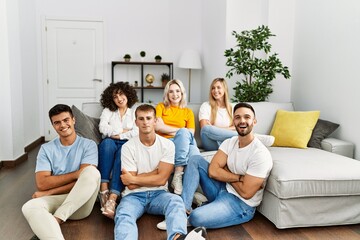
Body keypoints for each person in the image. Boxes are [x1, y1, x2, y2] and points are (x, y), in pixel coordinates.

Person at [114, 104, 207, 240]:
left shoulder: (168, 145)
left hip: (159, 194)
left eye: (148, 118)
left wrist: (135, 178)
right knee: (123, 214)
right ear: (136, 122)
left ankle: (177, 237)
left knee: (176, 202)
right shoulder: (128, 147)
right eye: (141, 119)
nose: (145, 122)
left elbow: (161, 180)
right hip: (133, 196)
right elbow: (131, 185)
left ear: (155, 121)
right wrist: (156, 173)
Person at [181, 102, 273, 229]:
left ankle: (204, 207)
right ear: (233, 121)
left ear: (254, 121)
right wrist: (240, 178)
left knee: (196, 217)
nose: (242, 121)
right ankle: (183, 209)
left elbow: (246, 193)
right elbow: (213, 171)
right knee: (195, 159)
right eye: (237, 117)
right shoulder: (230, 142)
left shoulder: (260, 154)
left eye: (247, 117)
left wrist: (225, 170)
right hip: (223, 188)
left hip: (241, 204)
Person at [22, 104, 100, 240]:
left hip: (81, 204)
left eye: (66, 120)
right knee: (29, 206)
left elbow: (87, 180)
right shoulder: (46, 149)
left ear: (73, 120)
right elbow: (42, 183)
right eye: (57, 122)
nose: (62, 125)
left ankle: (57, 219)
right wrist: (76, 174)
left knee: (92, 172)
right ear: (53, 125)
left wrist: (49, 192)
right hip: (58, 200)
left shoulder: (89, 145)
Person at [98, 81, 139, 219]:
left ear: (128, 95)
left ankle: (112, 198)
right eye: (115, 97)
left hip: (127, 144)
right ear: (111, 99)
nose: (119, 99)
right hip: (109, 143)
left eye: (121, 94)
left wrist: (118, 134)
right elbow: (102, 128)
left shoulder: (134, 113)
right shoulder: (108, 111)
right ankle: (104, 190)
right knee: (107, 143)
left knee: (124, 150)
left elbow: (136, 133)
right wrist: (124, 131)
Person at [199, 78, 274, 151]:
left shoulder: (233, 107)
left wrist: (216, 129)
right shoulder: (206, 106)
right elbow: (204, 128)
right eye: (213, 88)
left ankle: (250, 138)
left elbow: (237, 126)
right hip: (212, 143)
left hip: (230, 141)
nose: (215, 90)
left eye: (218, 87)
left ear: (225, 89)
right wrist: (228, 129)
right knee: (206, 129)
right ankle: (252, 137)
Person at [155, 79, 200, 195]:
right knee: (186, 136)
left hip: (183, 143)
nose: (175, 95)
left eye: (177, 91)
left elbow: (190, 134)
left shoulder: (188, 112)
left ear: (182, 93)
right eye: (171, 92)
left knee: (194, 151)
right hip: (165, 141)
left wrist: (175, 131)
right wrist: (181, 132)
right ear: (167, 94)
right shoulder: (160, 107)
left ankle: (180, 180)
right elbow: (158, 127)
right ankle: (179, 175)